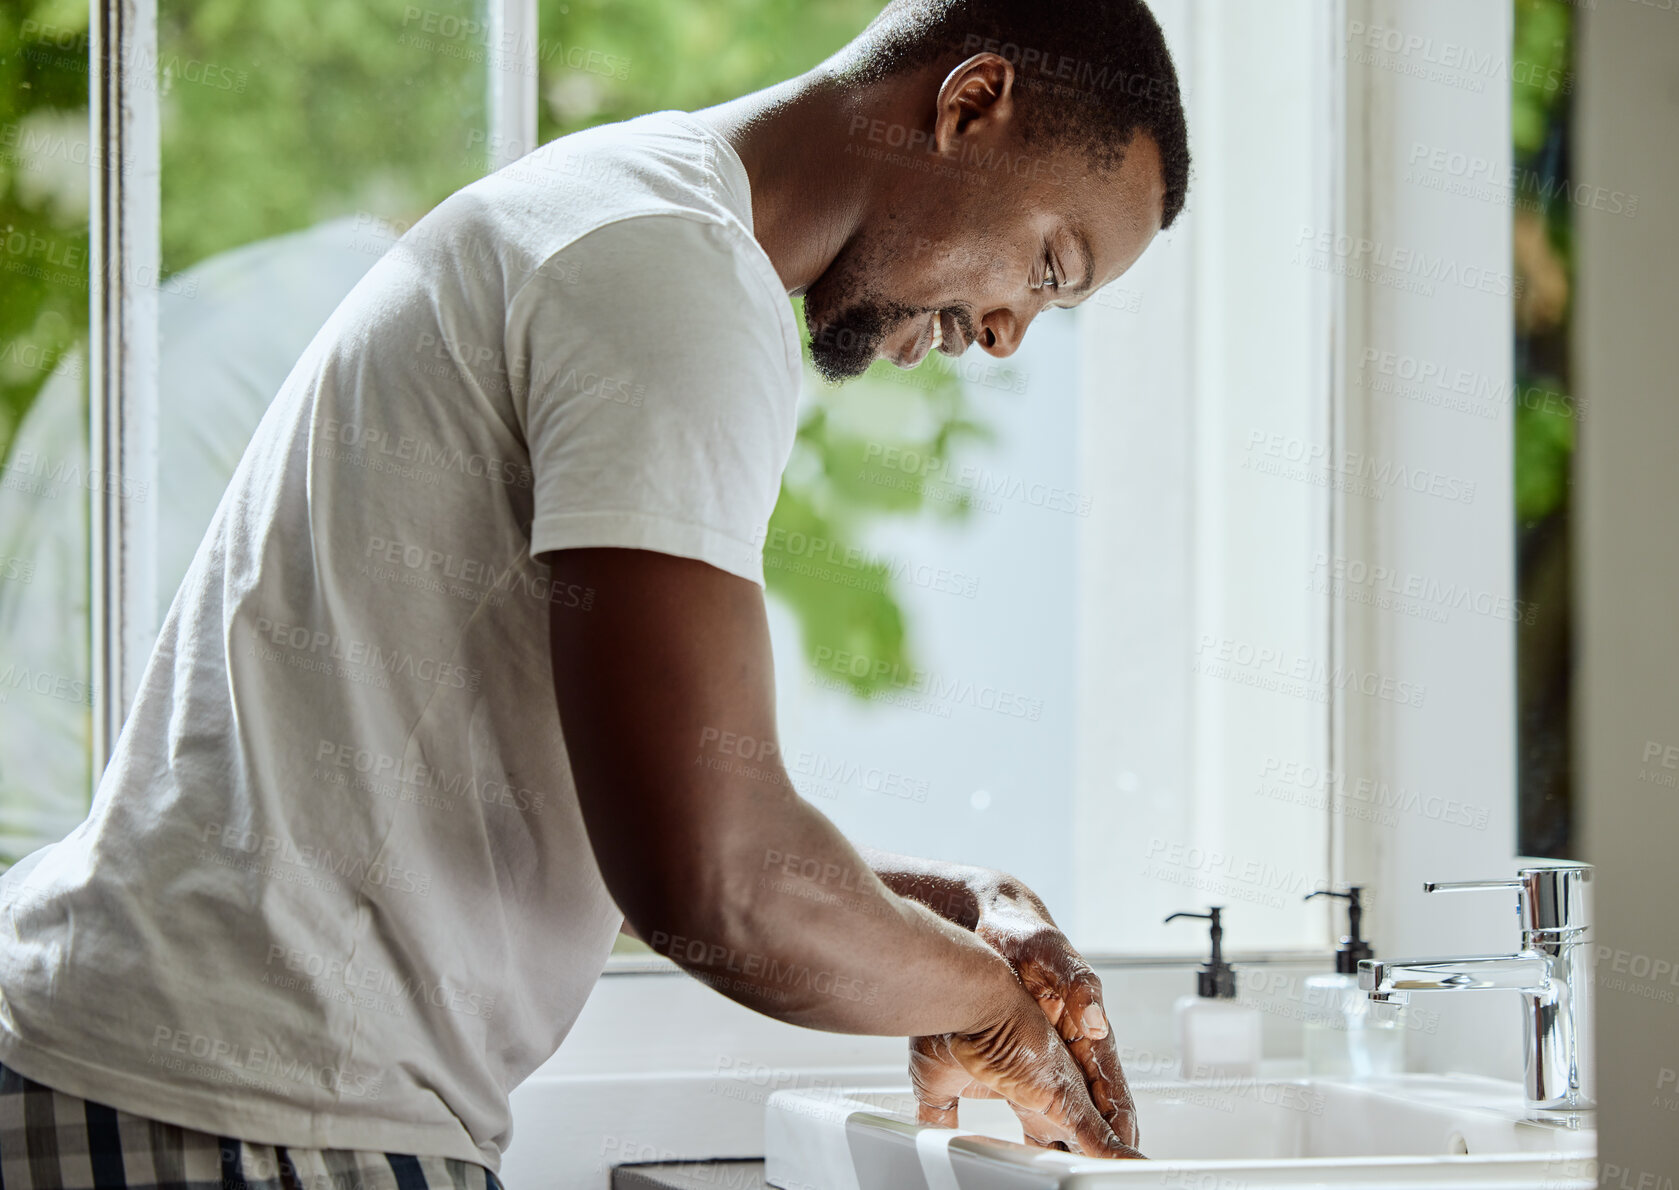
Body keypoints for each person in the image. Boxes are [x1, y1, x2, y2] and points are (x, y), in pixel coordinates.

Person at [0, 0, 1190, 1184]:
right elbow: (708, 882)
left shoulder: (626, 216)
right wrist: (985, 1004)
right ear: (969, 105)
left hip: (180, 1075)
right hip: (229, 1111)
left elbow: (626, 814)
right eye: (1046, 265)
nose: (1003, 336)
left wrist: (946, 914)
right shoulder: (675, 278)